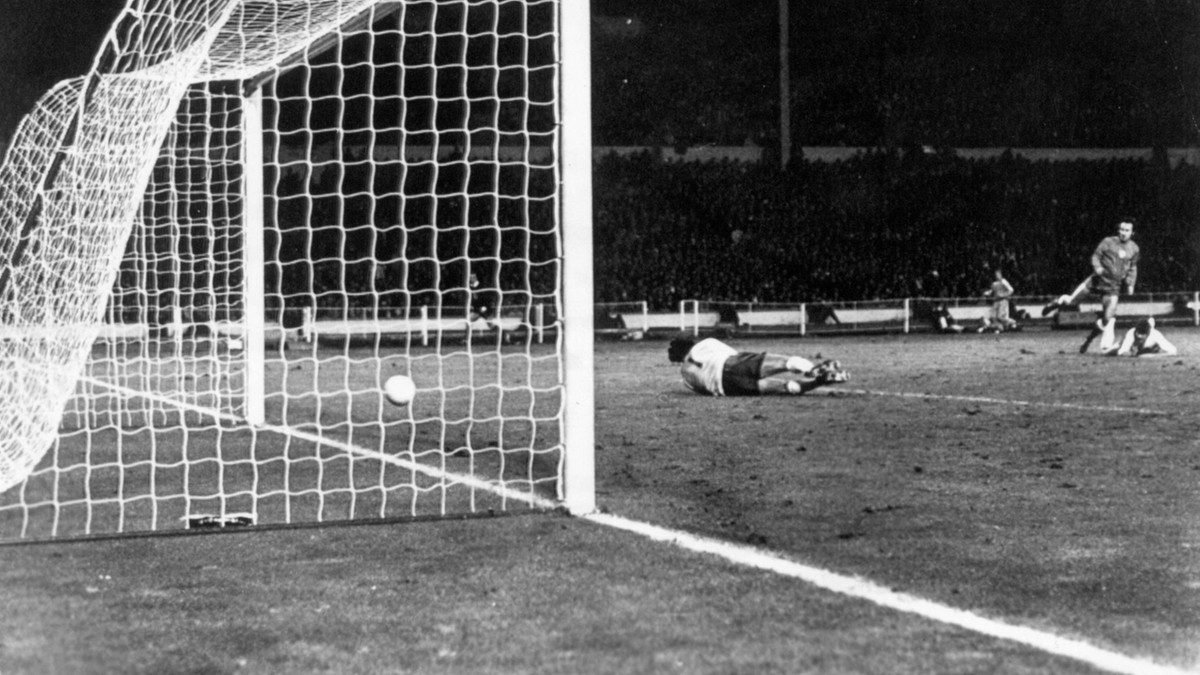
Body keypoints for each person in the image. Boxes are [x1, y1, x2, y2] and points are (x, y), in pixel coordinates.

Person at [1041, 218, 1140, 353]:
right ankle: (1058, 302)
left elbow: (1133, 267)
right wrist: (1098, 267)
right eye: (1122, 229)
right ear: (1118, 230)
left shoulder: (1134, 248)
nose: (1123, 233)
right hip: (1095, 281)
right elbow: (1095, 256)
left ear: (1132, 233)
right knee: (1071, 302)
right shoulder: (1108, 242)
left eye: (1127, 230)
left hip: (1113, 287)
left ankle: (1092, 341)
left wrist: (1130, 284)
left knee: (1108, 318)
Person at [667, 336, 849, 396]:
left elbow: (703, 391)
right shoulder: (706, 342)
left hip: (727, 387)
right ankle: (812, 369)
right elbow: (733, 354)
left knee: (782, 387)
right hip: (731, 363)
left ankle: (818, 382)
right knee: (784, 363)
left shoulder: (685, 378)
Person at [1103, 316, 1178, 357]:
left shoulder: (1155, 334)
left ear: (1148, 333)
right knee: (1105, 352)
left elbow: (1173, 350)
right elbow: (1121, 352)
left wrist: (1150, 356)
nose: (1140, 338)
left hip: (1145, 350)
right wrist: (1132, 354)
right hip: (1123, 345)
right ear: (1136, 331)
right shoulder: (1131, 333)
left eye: (1143, 336)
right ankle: (1109, 325)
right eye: (1138, 335)